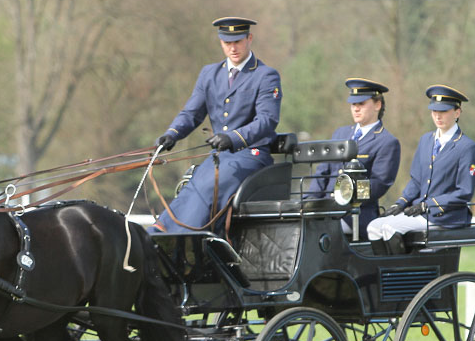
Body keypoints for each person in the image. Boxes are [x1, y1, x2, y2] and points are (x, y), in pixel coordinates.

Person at [149, 16, 282, 233]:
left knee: (210, 185)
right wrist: (172, 134)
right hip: (220, 158)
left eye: (238, 41)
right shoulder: (209, 74)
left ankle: (188, 237)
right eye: (227, 43)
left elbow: (267, 120)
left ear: (249, 38)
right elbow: (192, 113)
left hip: (251, 155)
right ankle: (161, 232)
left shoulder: (265, 76)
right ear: (220, 42)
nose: (233, 48)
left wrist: (233, 138)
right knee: (191, 188)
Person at [366, 84, 475, 254]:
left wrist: (427, 205)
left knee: (389, 227)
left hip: (446, 216)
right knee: (374, 227)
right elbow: (417, 180)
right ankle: (387, 275)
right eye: (434, 111)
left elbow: (464, 191)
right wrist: (401, 202)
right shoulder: (426, 140)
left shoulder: (466, 147)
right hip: (420, 212)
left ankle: (402, 274)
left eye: (444, 111)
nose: (438, 116)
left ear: (457, 112)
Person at [304, 78, 401, 240]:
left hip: (355, 214)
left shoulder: (387, 142)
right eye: (353, 104)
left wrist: (344, 197)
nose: (356, 109)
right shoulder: (340, 134)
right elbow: (323, 171)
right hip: (325, 209)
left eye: (361, 104)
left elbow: (379, 184)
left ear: (377, 105)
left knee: (315, 232)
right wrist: (309, 202)